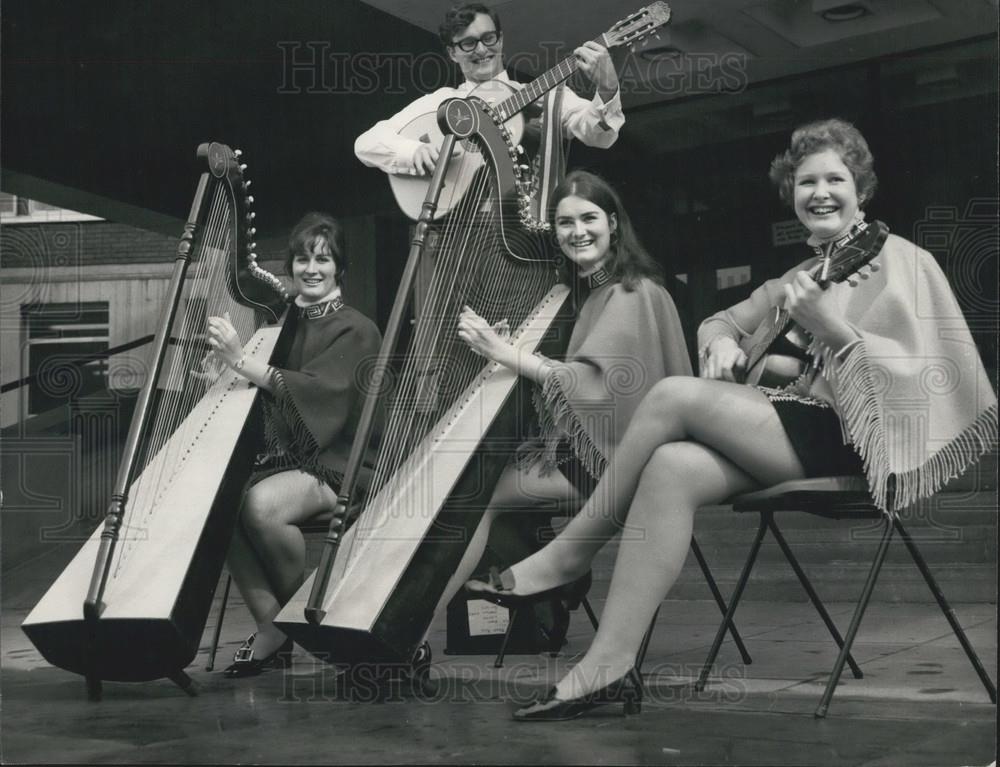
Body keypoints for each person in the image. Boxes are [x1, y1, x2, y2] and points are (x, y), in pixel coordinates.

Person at [466, 119, 998, 720]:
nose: (819, 192)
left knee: (671, 396)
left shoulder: (903, 261)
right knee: (671, 467)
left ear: (862, 189)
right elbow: (721, 320)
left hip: (853, 439)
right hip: (788, 430)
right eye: (805, 183)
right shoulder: (800, 276)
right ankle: (606, 668)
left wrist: (833, 328)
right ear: (791, 195)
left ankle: (568, 556)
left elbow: (924, 376)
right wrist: (719, 340)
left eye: (834, 179)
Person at [439, 169, 690, 647]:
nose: (578, 232)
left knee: (481, 492)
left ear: (613, 224)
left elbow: (594, 387)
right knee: (491, 479)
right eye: (564, 223)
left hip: (620, 463)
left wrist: (503, 352)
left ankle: (414, 632)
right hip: (601, 455)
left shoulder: (630, 292)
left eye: (589, 218)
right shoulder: (597, 291)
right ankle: (558, 577)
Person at [206, 212, 382, 678]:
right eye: (302, 258)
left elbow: (317, 394)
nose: (311, 268)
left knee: (262, 507)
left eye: (323, 259)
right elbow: (270, 390)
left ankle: (302, 620)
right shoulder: (290, 324)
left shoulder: (356, 328)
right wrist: (225, 372)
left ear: (340, 268)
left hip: (347, 461)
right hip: (297, 459)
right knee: (217, 506)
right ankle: (273, 628)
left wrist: (241, 362)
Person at [354, 3, 624, 177]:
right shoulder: (442, 102)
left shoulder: (546, 96)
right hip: (459, 238)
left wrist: (608, 87)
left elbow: (599, 137)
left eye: (488, 38)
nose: (482, 49)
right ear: (452, 53)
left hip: (529, 238)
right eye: (468, 43)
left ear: (501, 39)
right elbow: (366, 143)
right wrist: (412, 152)